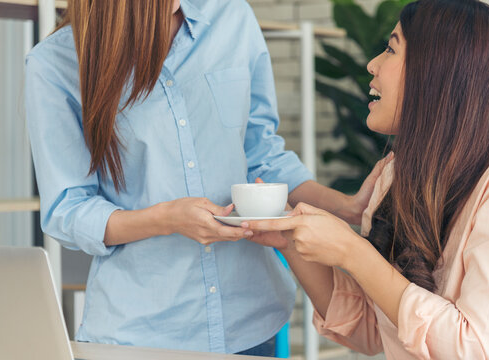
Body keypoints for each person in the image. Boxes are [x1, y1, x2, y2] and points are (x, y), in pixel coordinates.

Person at [25, 0, 389, 356]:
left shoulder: (232, 17)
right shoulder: (56, 64)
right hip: (142, 334)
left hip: (250, 321)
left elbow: (262, 156)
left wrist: (348, 207)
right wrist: (165, 220)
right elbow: (68, 209)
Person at [242, 0, 489, 358]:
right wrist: (288, 240)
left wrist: (354, 251)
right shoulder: (394, 177)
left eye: (391, 49)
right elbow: (373, 328)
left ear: (435, 72)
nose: (372, 64)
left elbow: (478, 349)